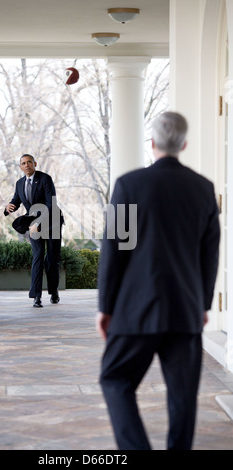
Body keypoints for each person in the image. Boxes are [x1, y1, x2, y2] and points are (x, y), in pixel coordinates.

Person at [97, 112, 220, 450]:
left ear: (151, 144)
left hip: (135, 310)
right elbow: (209, 255)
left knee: (115, 378)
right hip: (185, 310)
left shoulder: (127, 185)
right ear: (183, 144)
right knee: (183, 396)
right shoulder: (203, 189)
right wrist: (204, 305)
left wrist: (105, 307)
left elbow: (114, 251)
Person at [4, 154, 63, 308]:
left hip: (52, 224)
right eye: (23, 163)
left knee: (51, 259)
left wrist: (37, 222)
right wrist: (9, 207)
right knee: (37, 257)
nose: (27, 165)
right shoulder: (19, 183)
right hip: (34, 226)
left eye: (29, 162)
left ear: (34, 163)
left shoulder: (45, 179)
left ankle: (53, 291)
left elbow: (50, 205)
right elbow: (16, 201)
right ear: (20, 167)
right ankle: (36, 296)